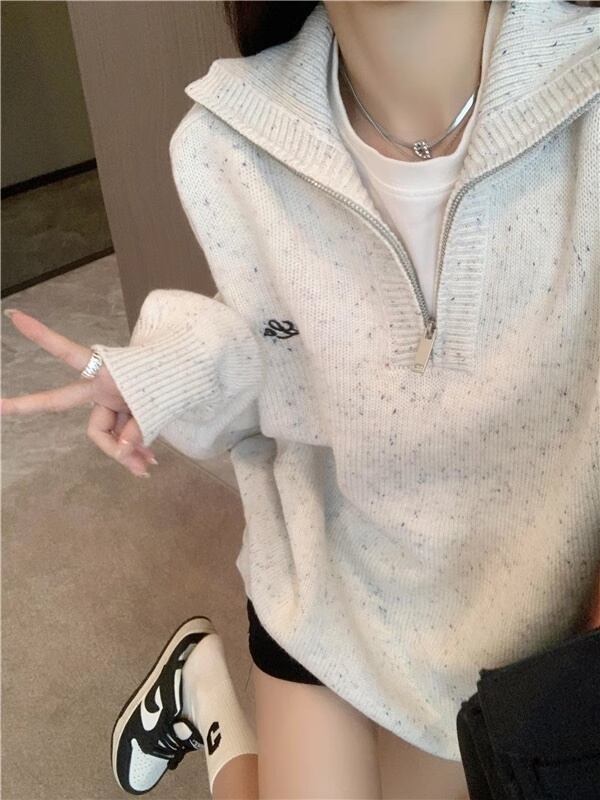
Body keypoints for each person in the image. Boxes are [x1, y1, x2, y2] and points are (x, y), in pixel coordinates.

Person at [2, 1, 599, 798]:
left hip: (530, 623)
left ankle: (204, 693)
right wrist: (162, 373)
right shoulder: (229, 140)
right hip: (327, 571)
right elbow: (271, 347)